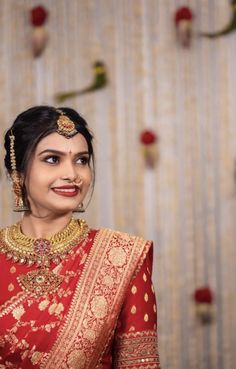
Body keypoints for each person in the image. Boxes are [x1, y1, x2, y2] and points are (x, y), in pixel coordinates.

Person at [0, 106, 161, 369]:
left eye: (81, 160)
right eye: (53, 159)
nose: (72, 174)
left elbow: (139, 365)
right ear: (18, 173)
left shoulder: (122, 256)